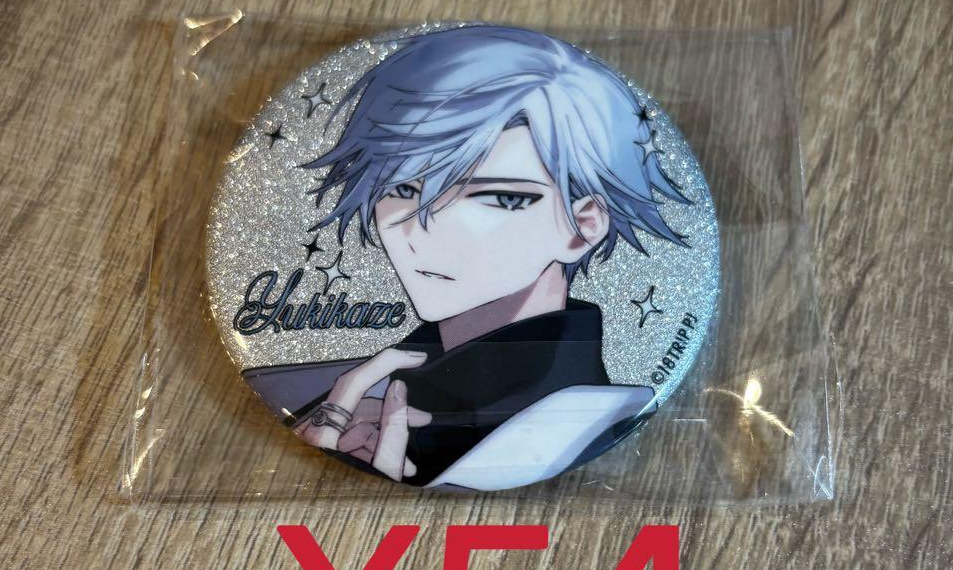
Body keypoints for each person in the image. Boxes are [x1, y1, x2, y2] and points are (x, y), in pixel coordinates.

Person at [244, 25, 692, 490]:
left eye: (500, 198)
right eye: (402, 189)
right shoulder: (349, 390)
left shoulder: (583, 417)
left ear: (584, 226)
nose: (426, 232)